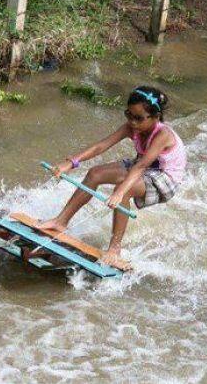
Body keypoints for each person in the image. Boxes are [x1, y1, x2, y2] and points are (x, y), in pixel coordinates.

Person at [39, 86, 187, 271]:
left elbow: (141, 167)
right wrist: (70, 162)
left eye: (139, 118)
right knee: (95, 173)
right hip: (143, 166)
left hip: (164, 178)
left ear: (156, 117)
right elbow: (101, 146)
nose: (132, 122)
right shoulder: (131, 127)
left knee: (122, 189)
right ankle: (61, 222)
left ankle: (114, 250)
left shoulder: (163, 135)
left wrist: (121, 192)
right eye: (129, 115)